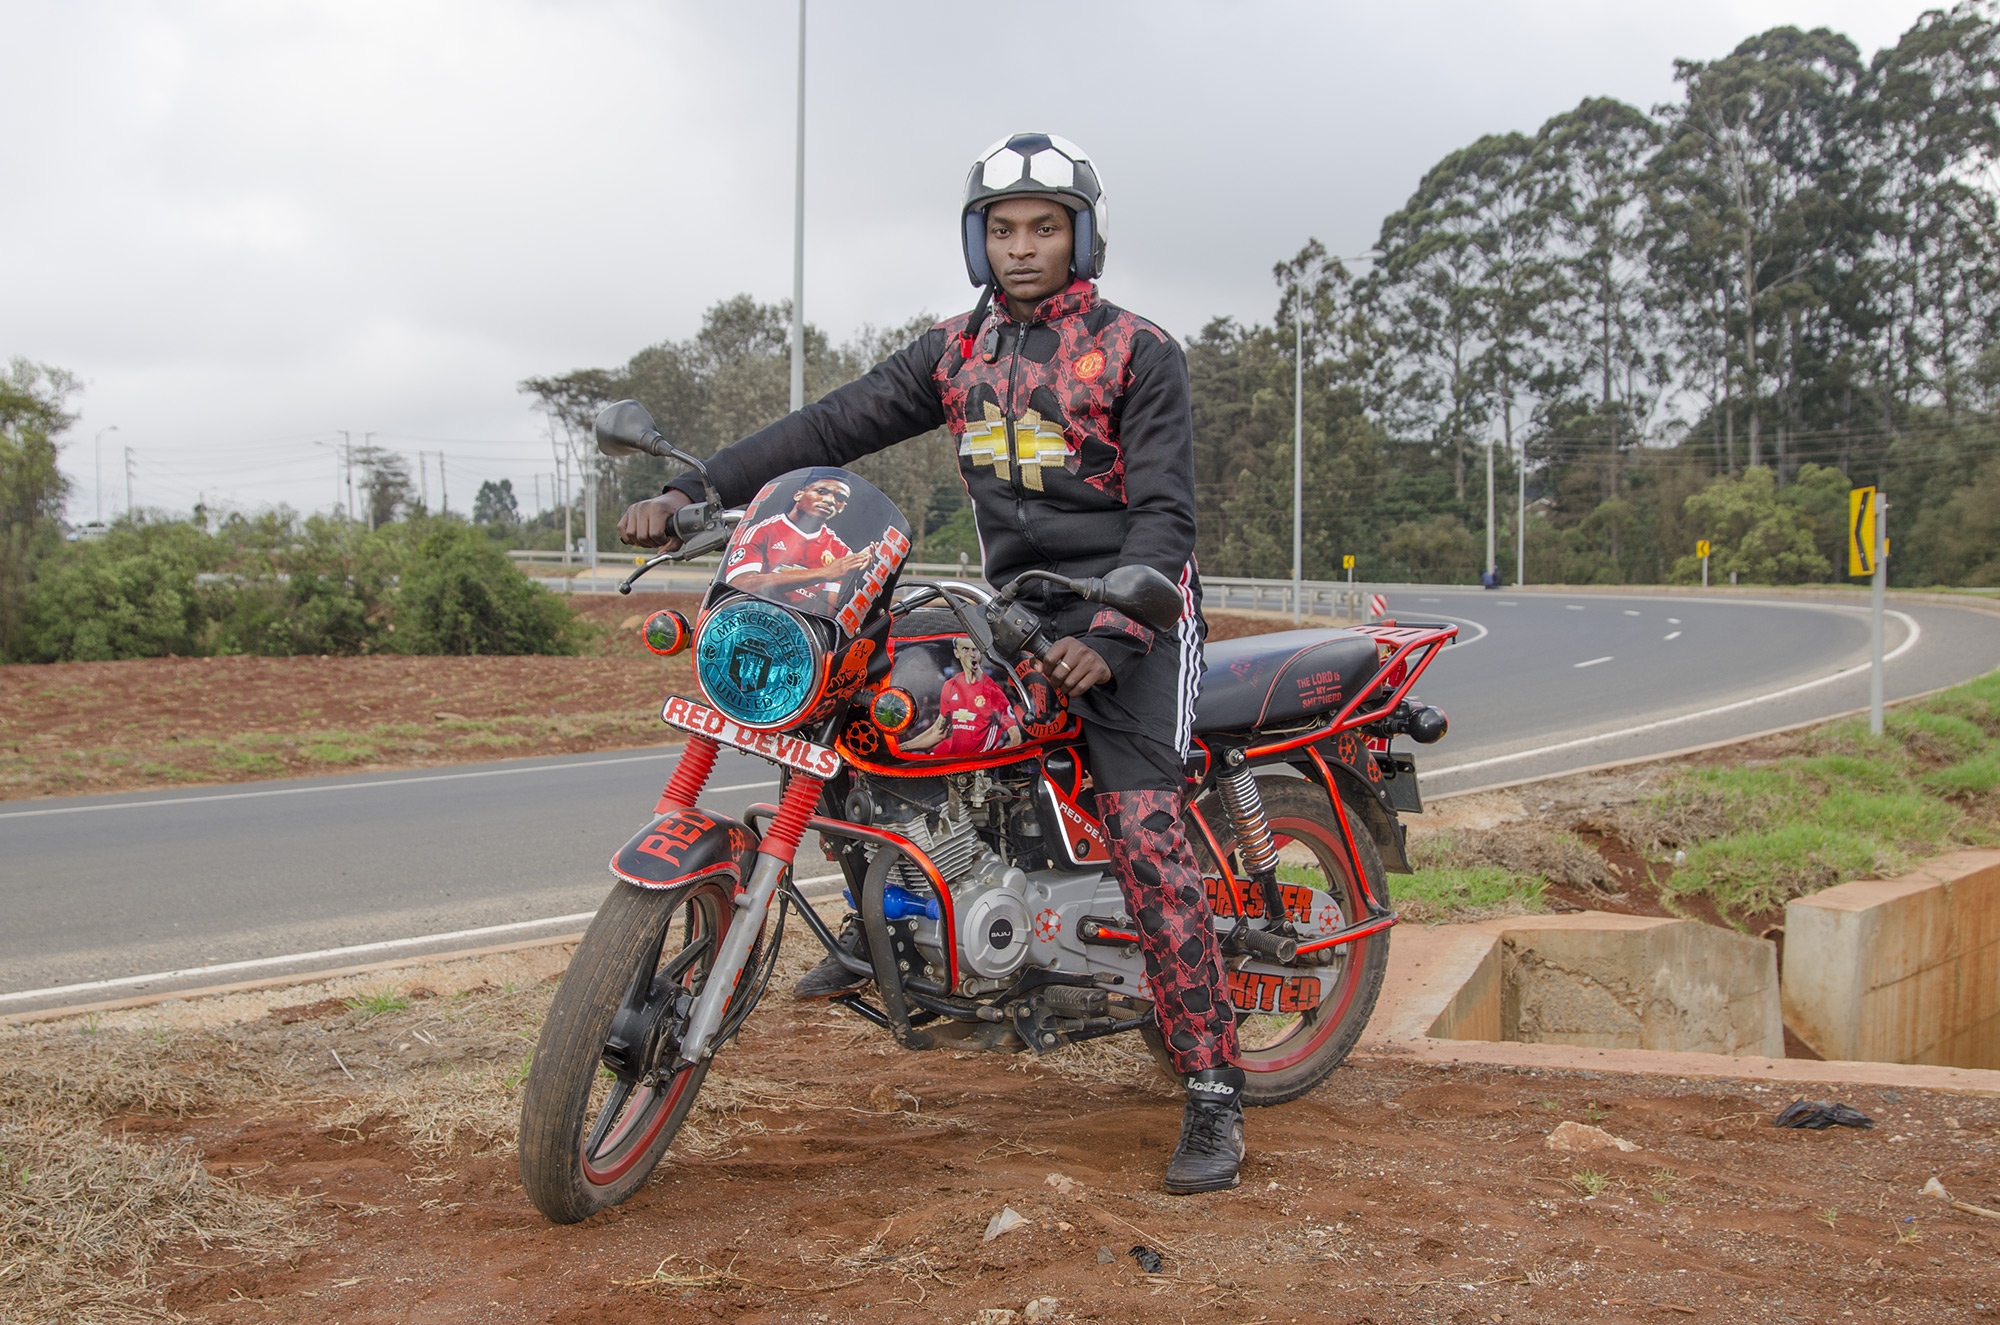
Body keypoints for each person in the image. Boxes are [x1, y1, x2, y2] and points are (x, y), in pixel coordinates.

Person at [618, 133, 1243, 1195]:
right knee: (853, 699)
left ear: (1079, 235)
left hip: (1132, 609)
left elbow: (1168, 516)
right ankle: (887, 916)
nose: (1022, 247)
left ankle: (1212, 1086)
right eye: (1002, 229)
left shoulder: (1138, 352)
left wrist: (1113, 635)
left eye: (1042, 226)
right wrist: (696, 491)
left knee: (1144, 827)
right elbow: (828, 425)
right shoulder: (955, 353)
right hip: (1014, 604)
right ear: (977, 240)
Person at [726, 473, 874, 611]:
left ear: (842, 508)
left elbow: (831, 615)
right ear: (798, 495)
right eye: (821, 492)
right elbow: (740, 585)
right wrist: (824, 573)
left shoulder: (841, 551)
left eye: (839, 498)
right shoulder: (762, 530)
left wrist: (853, 577)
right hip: (751, 618)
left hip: (799, 632)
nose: (830, 500)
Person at [901, 635, 1025, 755]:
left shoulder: (993, 691)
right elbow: (939, 731)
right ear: (957, 653)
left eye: (975, 649)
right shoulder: (950, 686)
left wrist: (995, 761)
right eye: (965, 649)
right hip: (955, 763)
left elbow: (1015, 737)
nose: (972, 654)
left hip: (980, 766)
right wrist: (902, 747)